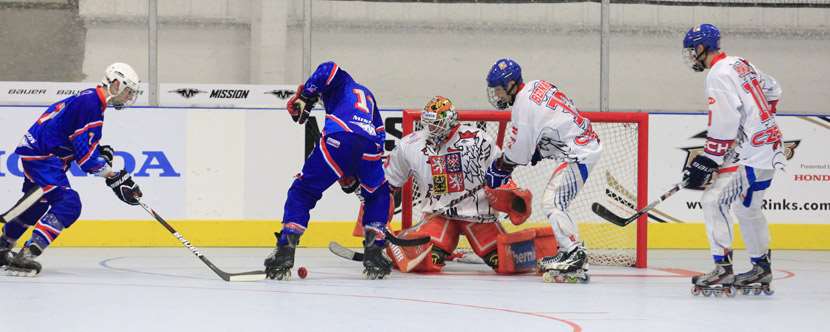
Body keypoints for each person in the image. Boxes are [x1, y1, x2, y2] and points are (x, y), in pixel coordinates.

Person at [0, 63, 143, 277]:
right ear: (115, 84)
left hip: (38, 152)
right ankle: (27, 254)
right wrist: (115, 177)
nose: (130, 96)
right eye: (129, 90)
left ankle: (3, 246)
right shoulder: (91, 104)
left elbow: (75, 141)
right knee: (69, 203)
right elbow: (86, 159)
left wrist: (99, 153)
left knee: (37, 204)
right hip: (44, 156)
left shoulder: (89, 99)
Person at [382, 96, 546, 274]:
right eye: (429, 124)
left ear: (451, 120)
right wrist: (376, 218)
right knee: (426, 260)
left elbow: (501, 174)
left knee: (505, 261)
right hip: (439, 216)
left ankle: (549, 251)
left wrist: (512, 197)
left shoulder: (479, 139)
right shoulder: (410, 144)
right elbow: (388, 184)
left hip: (479, 217)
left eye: (437, 124)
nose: (432, 129)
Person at [264, 62, 392, 280]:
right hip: (369, 148)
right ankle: (375, 250)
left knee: (303, 191)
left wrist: (305, 96)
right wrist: (356, 171)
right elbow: (380, 135)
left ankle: (286, 248)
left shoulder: (341, 81)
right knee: (378, 194)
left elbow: (328, 67)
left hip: (338, 140)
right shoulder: (368, 95)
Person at [681, 24, 783, 296]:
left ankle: (723, 268)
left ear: (702, 48)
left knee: (713, 200)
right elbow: (774, 90)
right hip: (769, 145)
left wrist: (707, 160)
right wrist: (759, 122)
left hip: (755, 150)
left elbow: (724, 121)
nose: (691, 56)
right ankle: (761, 266)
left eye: (692, 50)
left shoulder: (717, 74)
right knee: (746, 208)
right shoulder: (741, 63)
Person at [483, 58, 601, 283]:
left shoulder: (522, 107)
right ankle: (569, 251)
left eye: (499, 90)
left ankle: (575, 255)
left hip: (579, 152)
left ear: (511, 85)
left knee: (553, 202)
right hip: (581, 144)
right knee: (558, 201)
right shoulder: (537, 85)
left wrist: (499, 169)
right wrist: (539, 148)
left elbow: (519, 154)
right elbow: (553, 119)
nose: (497, 95)